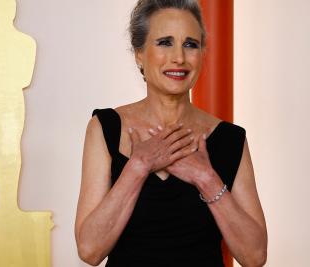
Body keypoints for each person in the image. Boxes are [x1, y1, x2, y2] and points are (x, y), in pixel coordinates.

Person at [74, 1, 267, 266]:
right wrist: (139, 166)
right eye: (165, 42)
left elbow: (254, 256)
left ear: (201, 54)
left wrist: (206, 177)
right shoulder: (106, 127)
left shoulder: (230, 139)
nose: (179, 57)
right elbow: (89, 250)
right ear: (139, 54)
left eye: (191, 44)